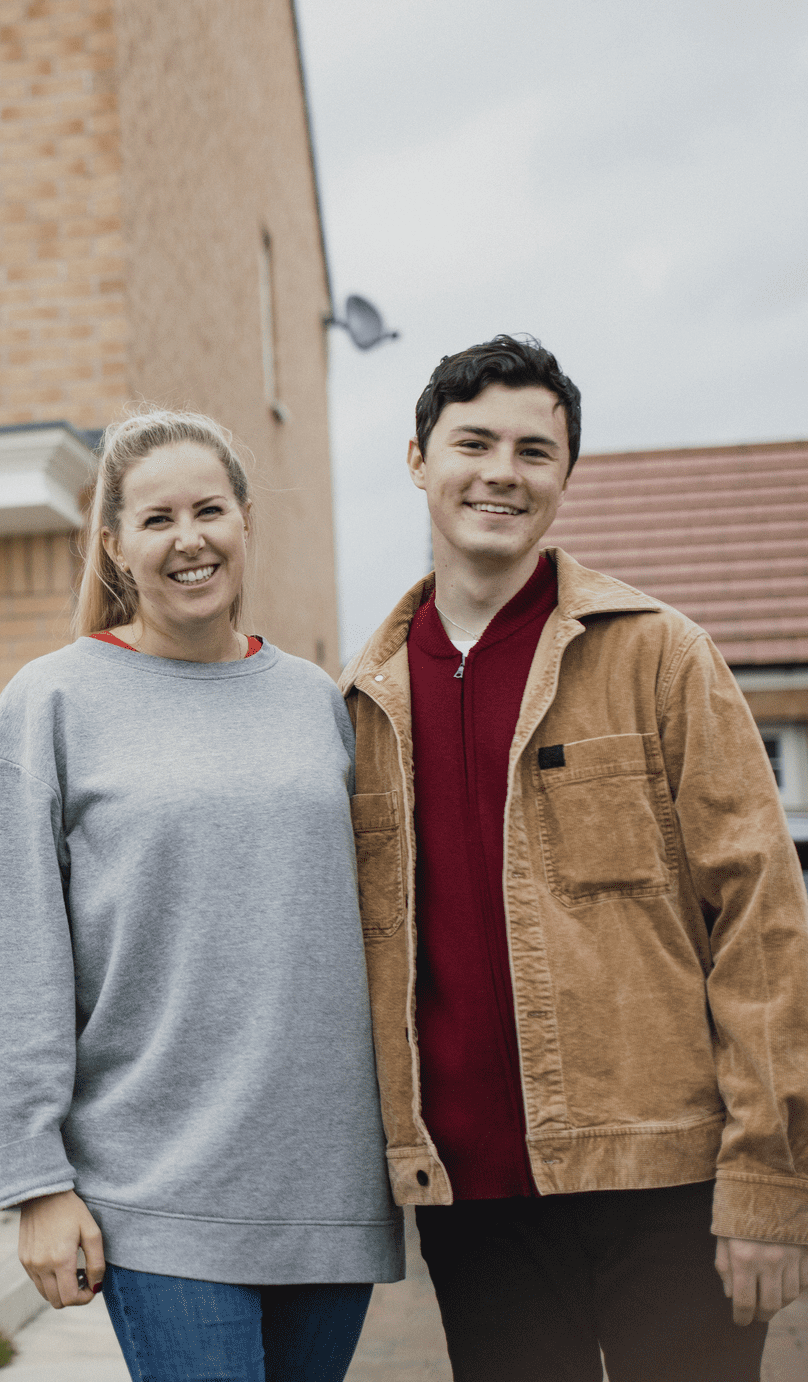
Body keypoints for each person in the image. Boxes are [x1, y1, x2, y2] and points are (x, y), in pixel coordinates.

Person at [339, 334, 808, 1381]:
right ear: (415, 457)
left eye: (532, 450)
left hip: (666, 1185)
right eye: (471, 442)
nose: (500, 472)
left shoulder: (657, 654)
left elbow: (762, 923)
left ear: (562, 477)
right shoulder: (360, 700)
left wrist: (767, 1186)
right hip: (473, 1205)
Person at [0, 409, 404, 1382]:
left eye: (208, 509)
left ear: (244, 521)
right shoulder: (51, 703)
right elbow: (17, 959)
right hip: (154, 1180)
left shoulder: (317, 703)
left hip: (325, 1180)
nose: (188, 537)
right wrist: (34, 1178)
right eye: (157, 517)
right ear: (116, 544)